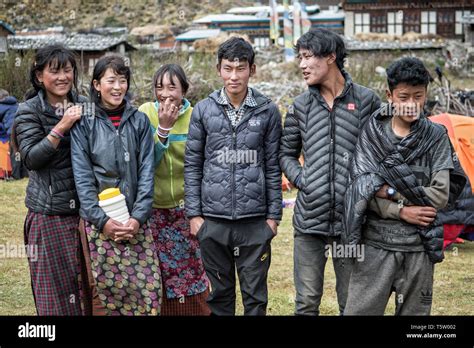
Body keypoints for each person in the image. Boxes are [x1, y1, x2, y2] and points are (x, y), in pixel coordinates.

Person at [343, 57, 466, 315]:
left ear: (426, 95)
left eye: (418, 97)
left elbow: (440, 195)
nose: (411, 105)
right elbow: (360, 188)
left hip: (418, 247)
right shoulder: (373, 135)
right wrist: (400, 211)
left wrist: (387, 191)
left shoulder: (435, 137)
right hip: (375, 245)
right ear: (389, 95)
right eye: (404, 97)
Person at [279, 28, 381, 316]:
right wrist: (302, 179)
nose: (302, 65)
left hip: (354, 223)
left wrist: (365, 189)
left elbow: (381, 154)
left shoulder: (367, 101)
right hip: (309, 223)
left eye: (308, 57)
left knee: (352, 304)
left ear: (331, 57)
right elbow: (285, 154)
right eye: (300, 57)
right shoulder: (299, 107)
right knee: (307, 303)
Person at [184, 37, 282, 316]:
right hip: (213, 221)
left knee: (255, 299)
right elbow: (192, 164)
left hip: (255, 222)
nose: (234, 76)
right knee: (219, 298)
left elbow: (273, 166)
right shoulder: (203, 110)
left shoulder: (267, 110)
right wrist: (195, 216)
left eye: (241, 68)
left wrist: (273, 219)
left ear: (252, 69)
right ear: (219, 69)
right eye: (228, 68)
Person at [71, 55, 162, 316]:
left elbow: (146, 172)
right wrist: (103, 221)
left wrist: (137, 218)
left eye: (123, 81)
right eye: (111, 80)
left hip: (136, 221)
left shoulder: (139, 121)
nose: (118, 87)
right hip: (101, 222)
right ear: (97, 85)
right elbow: (83, 178)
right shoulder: (84, 122)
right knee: (106, 293)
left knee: (147, 291)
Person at [13, 45, 86, 315]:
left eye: (67, 70)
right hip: (49, 216)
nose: (63, 77)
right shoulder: (28, 111)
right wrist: (61, 126)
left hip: (86, 213)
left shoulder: (82, 104)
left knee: (87, 292)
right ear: (39, 75)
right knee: (56, 298)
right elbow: (31, 158)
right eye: (54, 71)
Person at [138, 64, 210, 315]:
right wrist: (164, 128)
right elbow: (145, 162)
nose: (165, 94)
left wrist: (198, 209)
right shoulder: (145, 113)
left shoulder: (197, 115)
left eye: (172, 87)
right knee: (158, 274)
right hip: (154, 210)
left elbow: (203, 164)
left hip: (187, 211)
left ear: (185, 90)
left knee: (192, 272)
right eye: (159, 87)